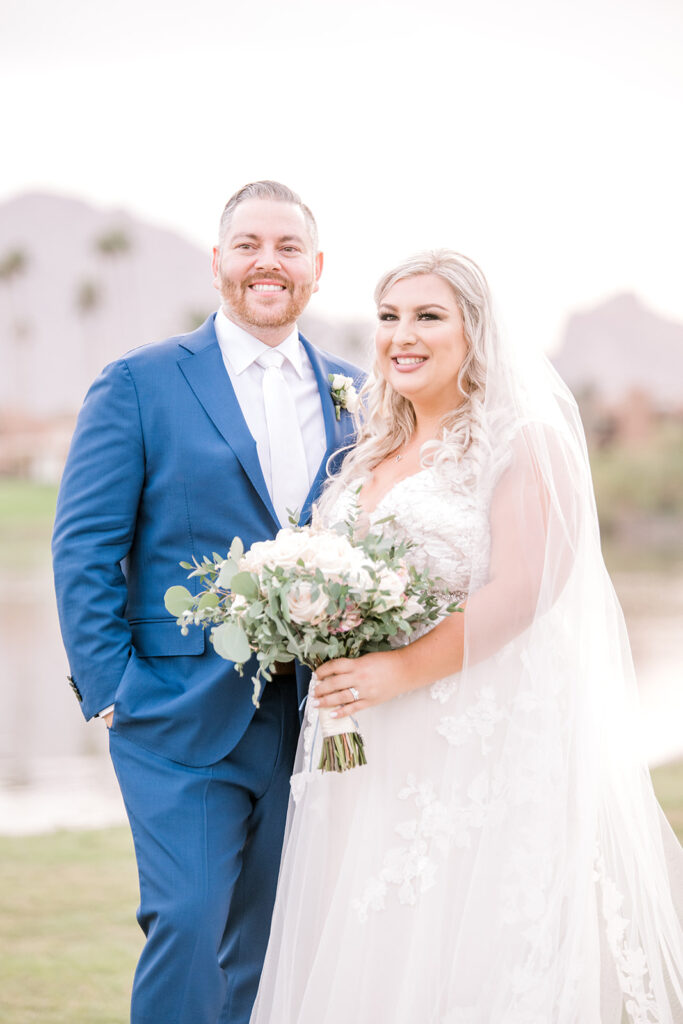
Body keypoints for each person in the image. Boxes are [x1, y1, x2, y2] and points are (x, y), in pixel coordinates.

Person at [249, 250, 683, 1023]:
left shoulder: (522, 441)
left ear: (474, 332)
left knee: (465, 941)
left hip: (469, 743)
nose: (401, 335)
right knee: (366, 940)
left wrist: (400, 671)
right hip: (359, 751)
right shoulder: (365, 455)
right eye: (388, 317)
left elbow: (526, 590)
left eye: (427, 316)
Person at [52, 180, 363, 1024]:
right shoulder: (139, 384)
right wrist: (113, 688)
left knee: (270, 942)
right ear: (218, 261)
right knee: (187, 921)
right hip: (176, 713)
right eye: (250, 244)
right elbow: (83, 546)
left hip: (318, 725)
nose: (269, 262)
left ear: (316, 268)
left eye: (288, 247)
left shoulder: (358, 394)